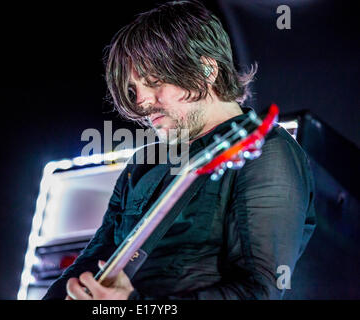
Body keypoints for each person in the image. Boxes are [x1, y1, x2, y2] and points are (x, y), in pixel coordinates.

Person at [43, 0, 316, 300]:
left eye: (155, 81)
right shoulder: (143, 163)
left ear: (207, 70)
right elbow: (92, 259)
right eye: (134, 89)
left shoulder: (268, 153)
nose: (141, 102)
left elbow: (258, 292)